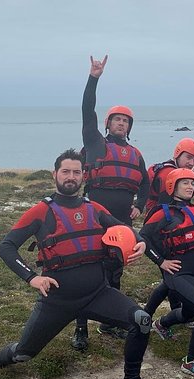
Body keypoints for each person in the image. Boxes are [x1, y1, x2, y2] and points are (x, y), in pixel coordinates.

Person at [0, 150, 154, 379]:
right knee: (24, 354)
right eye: (65, 171)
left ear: (83, 176)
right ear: (54, 175)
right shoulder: (41, 211)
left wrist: (139, 239)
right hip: (57, 300)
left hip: (98, 293)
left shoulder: (94, 208)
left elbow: (123, 227)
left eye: (76, 172)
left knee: (142, 320)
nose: (71, 176)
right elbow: (5, 247)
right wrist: (32, 277)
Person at [73, 55, 150, 349]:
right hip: (93, 217)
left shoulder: (136, 154)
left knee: (115, 271)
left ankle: (109, 321)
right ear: (108, 123)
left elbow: (144, 183)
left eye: (126, 121)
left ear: (129, 127)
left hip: (121, 221)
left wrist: (140, 206)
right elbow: (86, 110)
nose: (121, 123)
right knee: (87, 273)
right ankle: (81, 328)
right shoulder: (95, 142)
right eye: (117, 119)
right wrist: (94, 78)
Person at [140, 168, 194, 379]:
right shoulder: (163, 212)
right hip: (180, 273)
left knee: (191, 313)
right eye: (185, 183)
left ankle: (161, 324)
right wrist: (161, 261)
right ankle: (191, 361)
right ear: (173, 186)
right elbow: (143, 238)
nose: (190, 187)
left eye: (192, 184)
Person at [143, 138, 194, 319]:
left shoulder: (180, 172)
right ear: (178, 154)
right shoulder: (167, 174)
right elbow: (170, 204)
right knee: (170, 277)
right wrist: (161, 260)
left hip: (171, 226)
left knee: (171, 277)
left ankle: (167, 312)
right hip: (161, 229)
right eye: (188, 158)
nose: (191, 162)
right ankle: (155, 315)